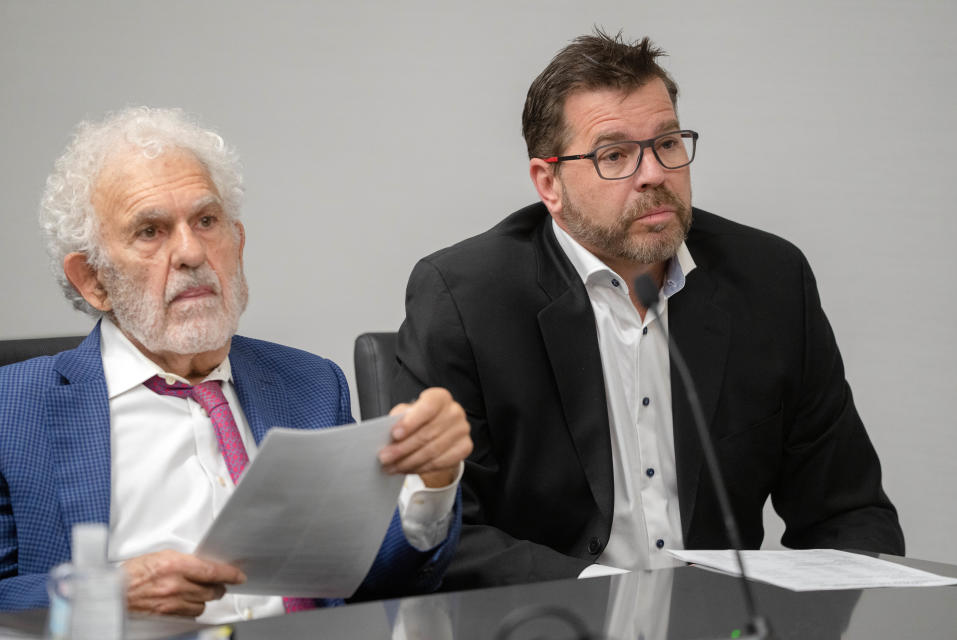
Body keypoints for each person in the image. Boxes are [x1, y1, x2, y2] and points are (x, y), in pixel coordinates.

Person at [393, 30, 905, 590]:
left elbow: (849, 514)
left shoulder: (770, 281)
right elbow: (439, 539)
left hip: (722, 625)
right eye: (615, 155)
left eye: (667, 144)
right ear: (550, 183)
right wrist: (606, 602)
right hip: (555, 621)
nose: (654, 174)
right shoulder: (466, 298)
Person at [0, 107, 472, 621]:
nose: (191, 252)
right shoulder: (15, 408)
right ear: (92, 279)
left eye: (206, 221)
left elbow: (370, 587)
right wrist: (101, 594)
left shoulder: (310, 383)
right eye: (150, 231)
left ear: (238, 243)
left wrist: (431, 485)